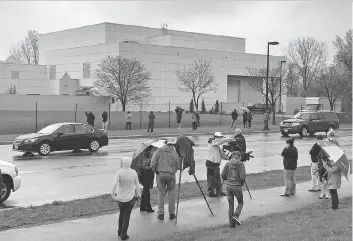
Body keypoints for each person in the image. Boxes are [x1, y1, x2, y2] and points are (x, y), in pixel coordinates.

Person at [150, 137, 181, 220]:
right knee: (171, 193)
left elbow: (152, 162)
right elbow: (178, 166)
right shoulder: (175, 153)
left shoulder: (159, 151)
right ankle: (172, 213)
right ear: (173, 144)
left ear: (166, 143)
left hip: (160, 174)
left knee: (161, 194)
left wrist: (155, 170)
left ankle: (161, 213)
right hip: (171, 174)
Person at [111, 157, 141, 240]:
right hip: (130, 198)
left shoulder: (119, 172)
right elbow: (137, 186)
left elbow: (114, 184)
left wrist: (112, 193)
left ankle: (119, 231)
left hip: (120, 198)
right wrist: (138, 195)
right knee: (127, 216)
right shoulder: (134, 172)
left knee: (121, 214)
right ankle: (124, 234)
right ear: (130, 163)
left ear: (123, 163)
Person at [221, 151, 246, 228]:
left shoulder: (228, 164)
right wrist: (241, 184)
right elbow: (242, 178)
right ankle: (236, 215)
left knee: (230, 205)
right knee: (240, 202)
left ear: (232, 156)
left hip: (228, 187)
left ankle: (232, 225)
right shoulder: (241, 165)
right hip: (237, 187)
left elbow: (222, 174)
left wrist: (227, 180)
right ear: (240, 157)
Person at [206, 132, 231, 197]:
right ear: (215, 137)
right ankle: (211, 192)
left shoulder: (217, 146)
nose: (219, 139)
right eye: (218, 137)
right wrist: (227, 140)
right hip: (211, 163)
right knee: (211, 179)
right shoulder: (211, 141)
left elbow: (222, 155)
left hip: (216, 165)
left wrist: (229, 158)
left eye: (220, 137)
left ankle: (219, 191)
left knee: (217, 178)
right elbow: (219, 142)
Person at [138, 146, 155, 213]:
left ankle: (143, 206)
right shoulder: (146, 156)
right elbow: (144, 166)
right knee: (146, 191)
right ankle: (148, 207)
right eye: (152, 149)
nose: (153, 150)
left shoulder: (146, 155)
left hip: (147, 174)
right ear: (149, 150)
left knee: (146, 191)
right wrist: (152, 166)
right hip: (146, 175)